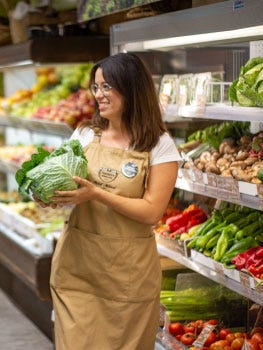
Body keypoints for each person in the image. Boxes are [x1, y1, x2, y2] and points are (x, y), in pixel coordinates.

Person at [46, 53, 181, 349]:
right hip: (78, 270)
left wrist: (96, 194)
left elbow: (152, 211)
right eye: (96, 88)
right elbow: (60, 180)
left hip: (127, 276)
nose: (99, 95)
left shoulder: (160, 146)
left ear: (131, 88)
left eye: (107, 87)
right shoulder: (83, 135)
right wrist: (47, 194)